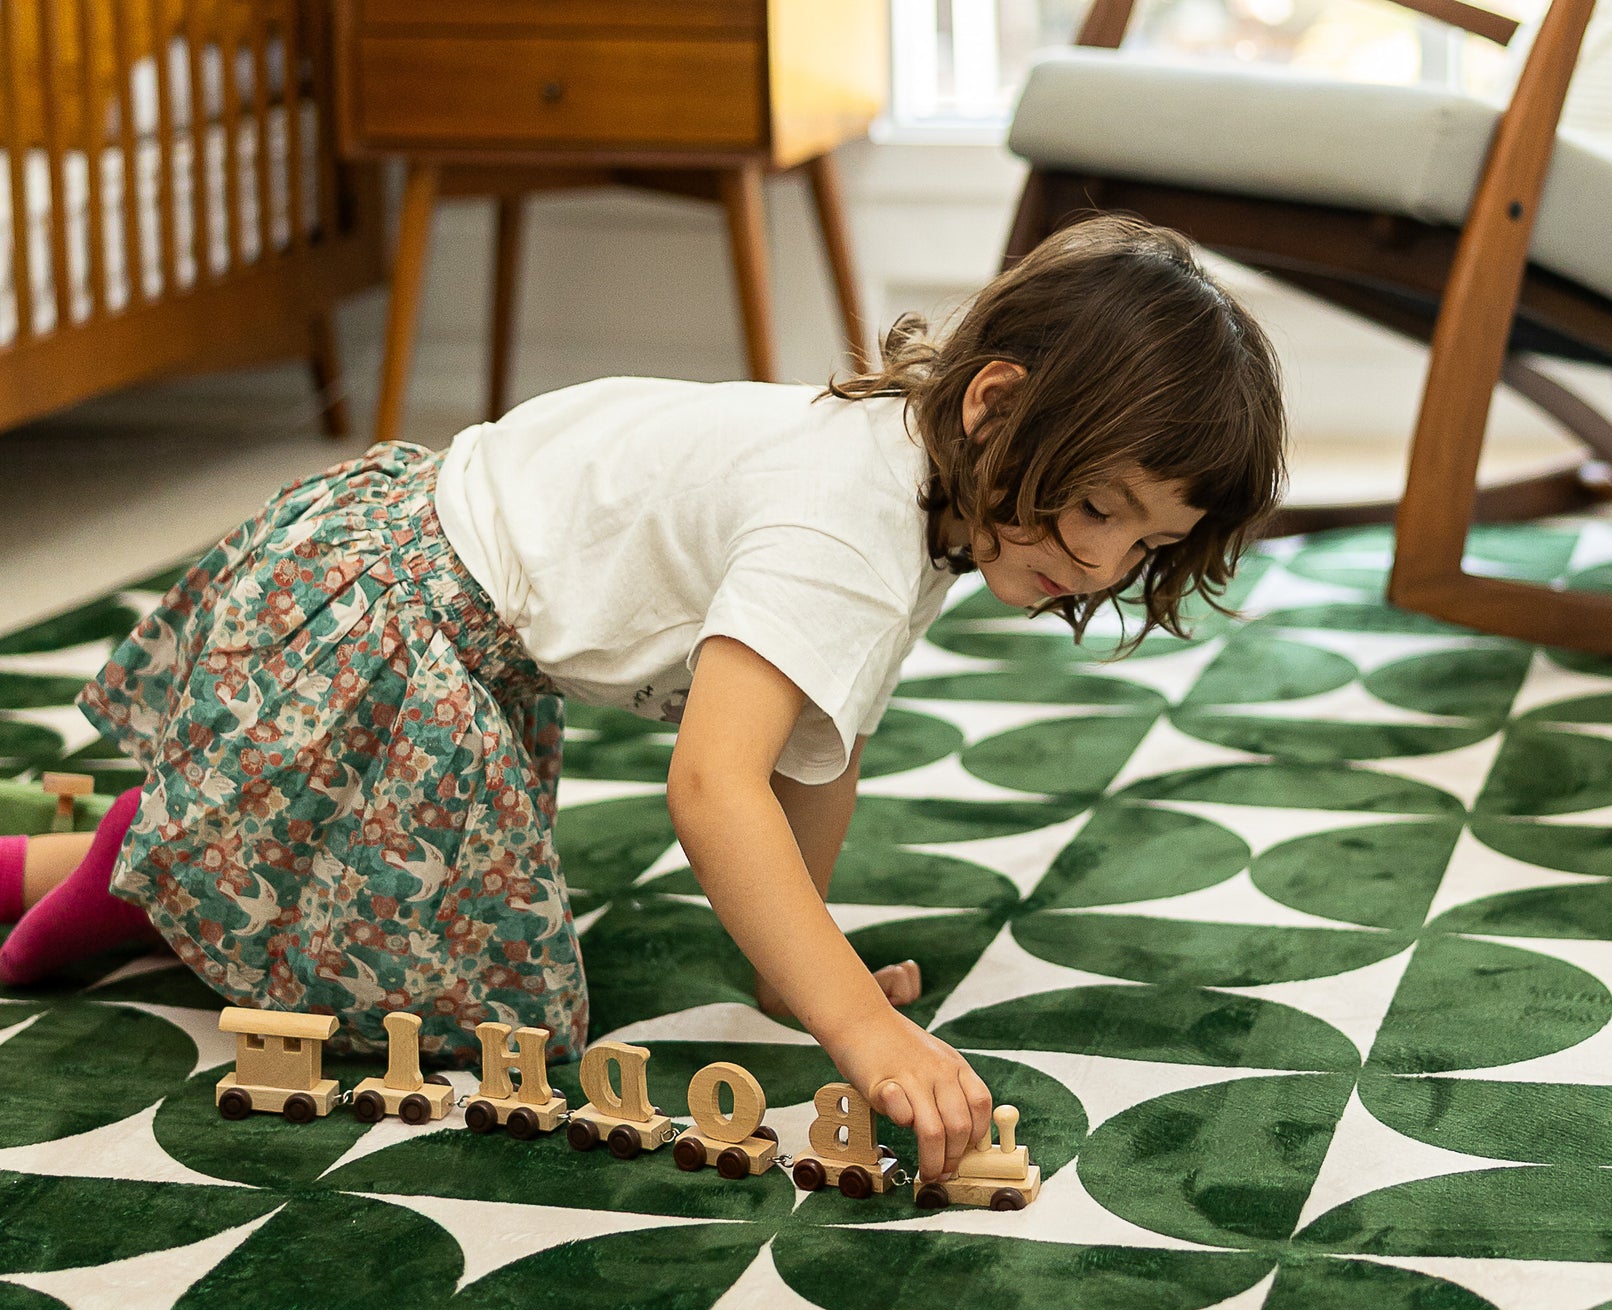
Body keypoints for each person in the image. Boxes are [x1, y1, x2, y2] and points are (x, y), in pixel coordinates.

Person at [0, 214, 1286, 1179]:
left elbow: (813, 750)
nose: (1104, 562)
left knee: (342, 865)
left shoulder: (915, 468)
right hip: (388, 616)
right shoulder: (847, 528)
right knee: (470, 1008)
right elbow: (714, 784)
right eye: (1097, 508)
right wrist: (859, 1034)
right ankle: (136, 872)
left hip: (421, 581)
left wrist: (799, 965)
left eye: (1142, 543)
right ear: (1000, 404)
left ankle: (91, 859)